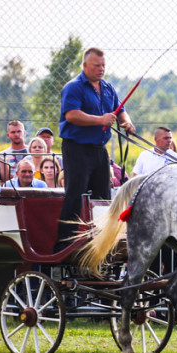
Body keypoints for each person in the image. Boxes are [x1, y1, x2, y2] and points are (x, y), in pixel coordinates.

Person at [55, 47, 135, 250]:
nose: (101, 69)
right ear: (85, 66)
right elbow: (71, 115)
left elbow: (120, 110)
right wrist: (100, 119)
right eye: (96, 65)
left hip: (99, 149)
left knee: (103, 197)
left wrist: (126, 122)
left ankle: (100, 244)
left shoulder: (107, 88)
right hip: (77, 149)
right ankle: (65, 246)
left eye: (103, 66)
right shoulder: (73, 87)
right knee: (75, 194)